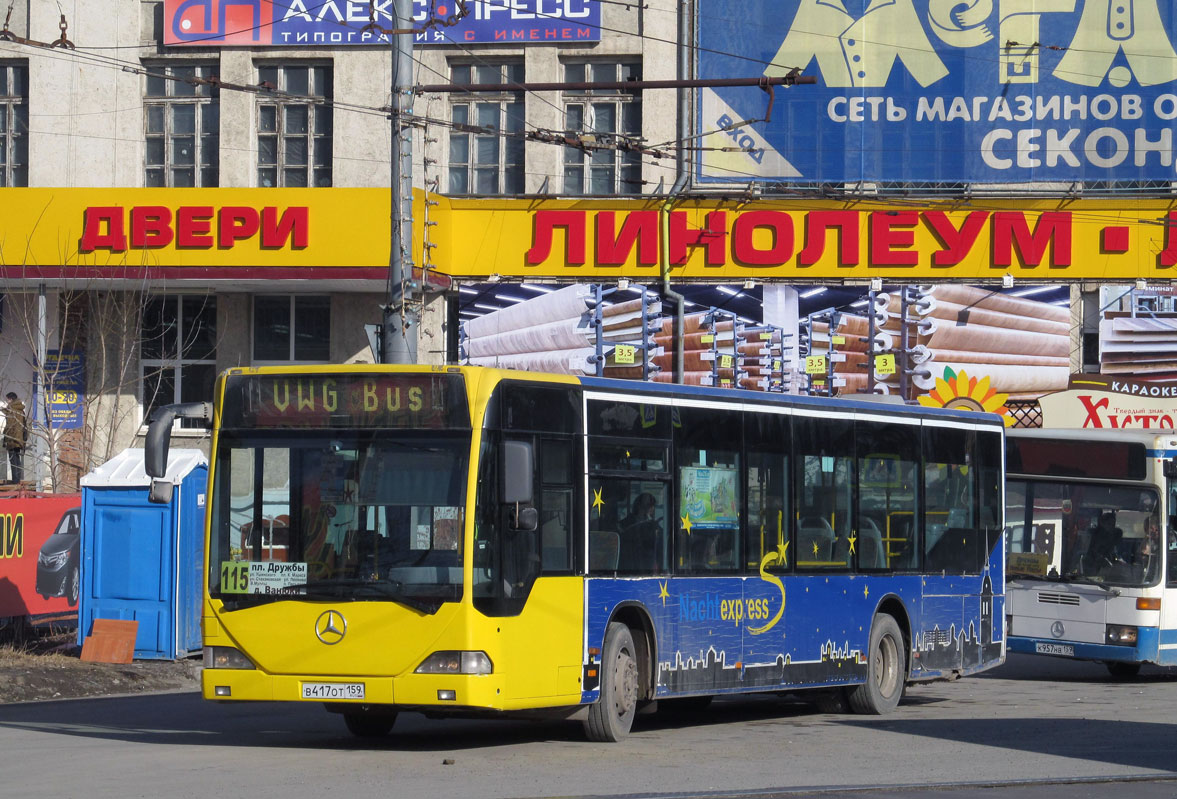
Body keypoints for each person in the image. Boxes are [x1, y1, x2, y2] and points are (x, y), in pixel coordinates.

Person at [2, 391, 28, 484]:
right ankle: (18, 479)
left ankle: (15, 480)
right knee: (17, 459)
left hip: (12, 438)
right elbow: (25, 426)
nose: (7, 401)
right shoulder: (21, 410)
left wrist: (5, 437)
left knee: (13, 460)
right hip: (19, 439)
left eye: (8, 399)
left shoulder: (11, 409)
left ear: (11, 399)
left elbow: (9, 426)